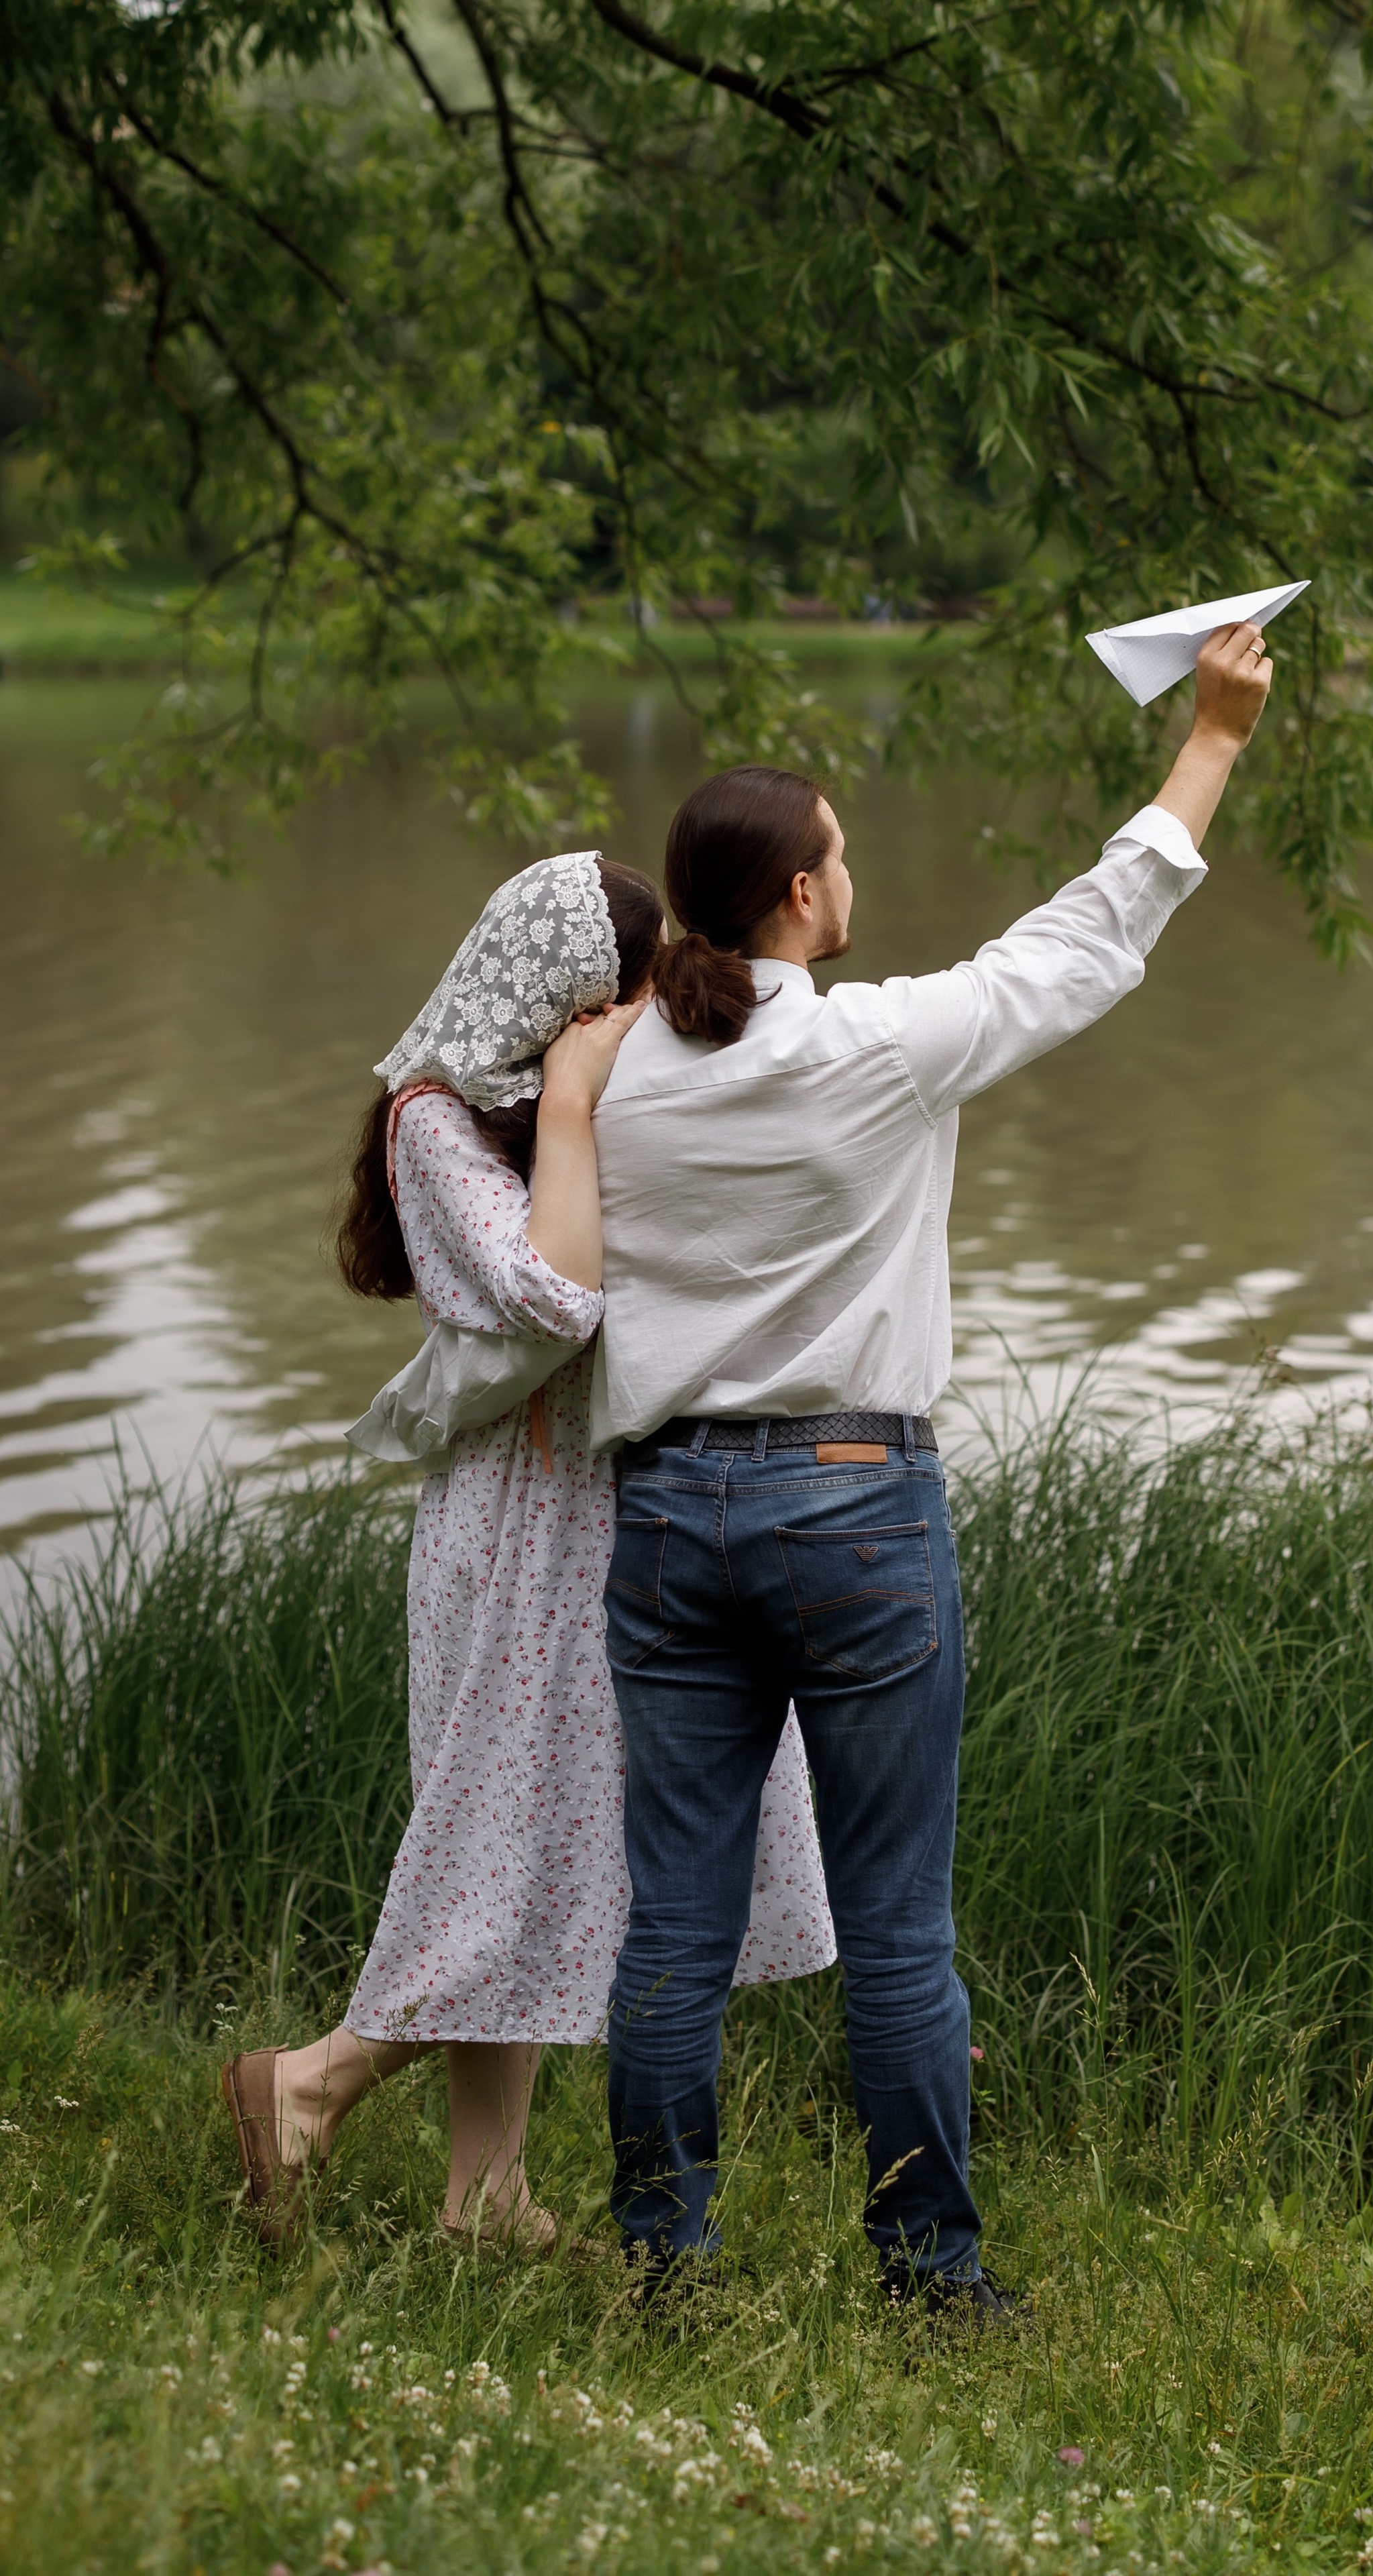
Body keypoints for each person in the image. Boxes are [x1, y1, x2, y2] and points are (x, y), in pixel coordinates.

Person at [590, 619, 1275, 2316]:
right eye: (839, 849)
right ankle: (929, 2279)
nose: (850, 867)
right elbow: (1090, 933)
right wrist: (1214, 735)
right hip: (851, 1503)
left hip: (669, 1513)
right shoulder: (874, 1048)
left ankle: (664, 2266)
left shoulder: (618, 1076)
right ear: (804, 901)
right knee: (894, 1928)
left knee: (671, 1926)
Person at [221, 854, 835, 2253]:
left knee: (546, 1837)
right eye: (620, 986)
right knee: (495, 1836)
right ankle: (307, 2084)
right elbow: (555, 1300)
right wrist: (570, 1103)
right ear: (565, 989)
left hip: (613, 1504)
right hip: (515, 1529)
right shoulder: (434, 1125)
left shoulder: (581, 1103)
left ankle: (480, 2192)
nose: (632, 1011)